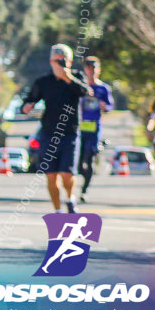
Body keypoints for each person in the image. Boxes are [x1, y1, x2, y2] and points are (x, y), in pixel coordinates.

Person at [21, 45, 93, 214]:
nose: (60, 64)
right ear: (50, 62)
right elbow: (29, 99)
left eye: (64, 60)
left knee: (67, 174)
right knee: (51, 176)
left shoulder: (76, 77)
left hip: (70, 133)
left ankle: (70, 198)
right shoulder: (43, 82)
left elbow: (85, 92)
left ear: (69, 61)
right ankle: (58, 211)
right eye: (57, 60)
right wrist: (26, 106)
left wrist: (68, 77)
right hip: (48, 134)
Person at [77, 56, 113, 203]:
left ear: (98, 70)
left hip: (94, 127)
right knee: (78, 162)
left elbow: (110, 107)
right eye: (88, 69)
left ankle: (84, 190)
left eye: (94, 69)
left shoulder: (103, 88)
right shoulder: (79, 86)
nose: (91, 72)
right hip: (79, 127)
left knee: (89, 157)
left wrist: (105, 106)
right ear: (85, 70)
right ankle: (80, 176)